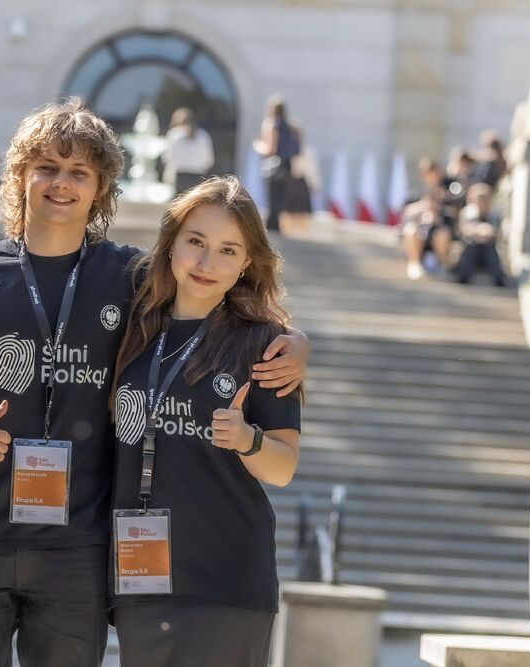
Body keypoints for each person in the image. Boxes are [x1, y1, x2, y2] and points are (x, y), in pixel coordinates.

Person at [0, 98, 310, 667]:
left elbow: (214, 285)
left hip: (77, 549)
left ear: (101, 187)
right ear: (20, 175)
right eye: (48, 167)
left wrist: (294, 341)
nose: (62, 183)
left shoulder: (131, 277)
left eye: (79, 172)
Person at [109, 175, 301, 667]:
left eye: (227, 251)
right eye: (196, 241)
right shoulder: (131, 325)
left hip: (227, 584)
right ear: (171, 242)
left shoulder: (265, 346)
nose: (206, 263)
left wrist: (247, 440)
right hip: (142, 583)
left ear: (245, 265)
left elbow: (282, 468)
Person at [253, 96, 304, 233]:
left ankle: (272, 228)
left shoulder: (271, 124)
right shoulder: (290, 126)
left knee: (272, 199)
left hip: (273, 166)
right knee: (280, 200)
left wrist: (257, 145)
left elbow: (271, 149)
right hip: (287, 166)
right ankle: (276, 227)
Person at [455, 183, 508, 286]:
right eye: (479, 199)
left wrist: (490, 232)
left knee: (490, 250)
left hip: (488, 251)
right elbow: (462, 230)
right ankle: (464, 276)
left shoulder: (495, 216)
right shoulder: (467, 213)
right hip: (471, 250)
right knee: (472, 247)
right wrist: (477, 231)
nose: (482, 202)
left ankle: (499, 280)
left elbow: (499, 234)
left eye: (485, 199)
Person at [401, 189, 452, 280]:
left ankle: (442, 266)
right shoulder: (415, 213)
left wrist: (437, 221)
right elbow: (404, 227)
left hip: (434, 252)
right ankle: (415, 264)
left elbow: (450, 232)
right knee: (411, 230)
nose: (431, 204)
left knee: (442, 233)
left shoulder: (445, 215)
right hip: (418, 248)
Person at [163, 107, 214, 195]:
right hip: (199, 178)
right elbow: (209, 161)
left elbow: (168, 158)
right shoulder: (204, 135)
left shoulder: (174, 134)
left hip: (179, 178)